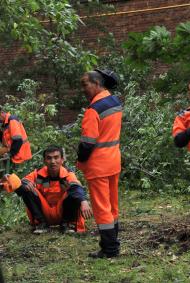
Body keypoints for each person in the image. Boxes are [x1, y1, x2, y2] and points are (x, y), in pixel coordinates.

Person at [77, 69, 122, 258]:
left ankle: (109, 249)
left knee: (102, 208)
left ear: (97, 83)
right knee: (112, 206)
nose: (83, 90)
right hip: (113, 161)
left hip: (98, 166)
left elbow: (87, 142)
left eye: (85, 85)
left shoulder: (93, 110)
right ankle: (113, 245)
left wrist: (80, 160)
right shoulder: (115, 102)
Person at [14, 145, 92, 234]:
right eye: (49, 158)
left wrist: (83, 201)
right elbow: (22, 184)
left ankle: (67, 224)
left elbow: (76, 187)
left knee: (73, 191)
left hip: (63, 212)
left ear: (62, 160)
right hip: (43, 212)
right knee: (27, 188)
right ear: (44, 161)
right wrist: (15, 182)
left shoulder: (68, 175)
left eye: (56, 158)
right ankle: (41, 224)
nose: (53, 161)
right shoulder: (38, 174)